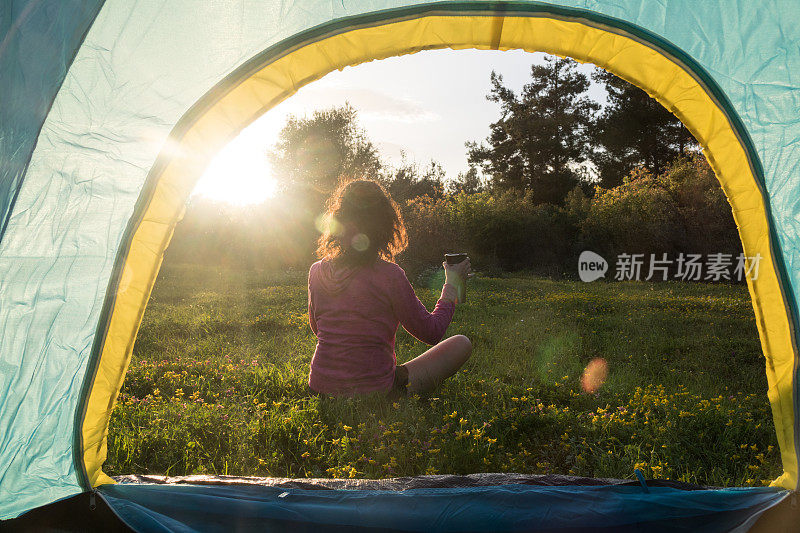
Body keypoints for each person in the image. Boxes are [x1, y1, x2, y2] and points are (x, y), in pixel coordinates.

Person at [307, 179, 472, 398]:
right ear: (386, 224)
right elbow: (432, 332)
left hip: (320, 387)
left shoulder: (317, 270)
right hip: (375, 391)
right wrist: (452, 283)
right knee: (461, 343)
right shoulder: (390, 275)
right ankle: (388, 382)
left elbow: (317, 328)